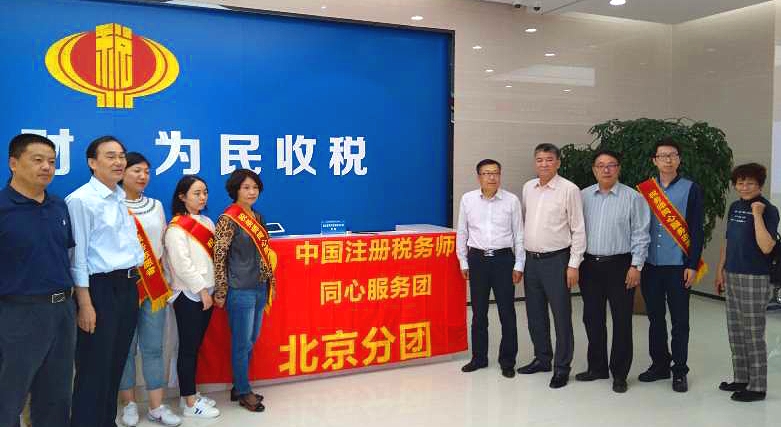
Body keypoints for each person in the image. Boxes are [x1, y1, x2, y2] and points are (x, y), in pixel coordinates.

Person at [67, 136, 144, 427]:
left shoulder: (119, 196)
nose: (119, 162)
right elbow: (78, 258)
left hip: (126, 287)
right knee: (93, 368)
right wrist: (85, 304)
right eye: (110, 156)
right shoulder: (81, 200)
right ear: (92, 162)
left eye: (121, 156)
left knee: (115, 364)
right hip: (99, 290)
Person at [0, 134, 76, 427]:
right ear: (13, 163)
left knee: (57, 393)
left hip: (62, 311)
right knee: (9, 394)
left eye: (52, 162)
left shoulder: (58, 206)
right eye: (38, 160)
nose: (47, 167)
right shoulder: (3, 207)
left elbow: (65, 256)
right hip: (18, 313)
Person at [578, 149, 650, 393]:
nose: (606, 169)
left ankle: (619, 373)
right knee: (592, 318)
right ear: (594, 169)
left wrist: (636, 266)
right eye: (601, 165)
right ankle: (597, 367)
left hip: (621, 265)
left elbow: (641, 234)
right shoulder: (583, 196)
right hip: (589, 265)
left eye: (611, 165)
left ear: (618, 168)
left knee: (622, 320)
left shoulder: (633, 197)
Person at [636, 137, 705, 393]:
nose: (668, 160)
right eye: (662, 156)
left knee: (679, 321)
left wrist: (692, 264)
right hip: (650, 266)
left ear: (679, 159)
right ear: (654, 160)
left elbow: (697, 229)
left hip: (679, 266)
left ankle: (679, 370)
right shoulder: (645, 190)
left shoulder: (691, 189)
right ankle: (659, 365)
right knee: (655, 318)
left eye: (672, 155)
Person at [117, 153, 181, 427]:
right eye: (136, 170)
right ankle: (129, 404)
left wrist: (167, 280)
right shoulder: (112, 204)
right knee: (125, 348)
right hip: (124, 286)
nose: (143, 176)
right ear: (122, 172)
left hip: (154, 287)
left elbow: (162, 246)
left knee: (154, 347)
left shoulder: (156, 206)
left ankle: (156, 406)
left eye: (146, 171)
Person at [518, 143, 586, 389]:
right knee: (535, 314)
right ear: (535, 162)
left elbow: (578, 229)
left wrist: (574, 264)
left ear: (558, 162)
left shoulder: (569, 189)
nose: (544, 164)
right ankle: (542, 358)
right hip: (531, 261)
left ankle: (562, 367)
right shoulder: (528, 188)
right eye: (539, 160)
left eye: (549, 159)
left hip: (557, 261)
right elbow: (525, 222)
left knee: (561, 316)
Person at [714, 163, 778, 402]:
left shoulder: (768, 210)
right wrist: (720, 270)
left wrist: (757, 214)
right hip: (732, 274)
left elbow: (767, 246)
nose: (744, 187)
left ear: (759, 184)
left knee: (753, 333)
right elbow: (728, 241)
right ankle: (741, 378)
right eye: (740, 183)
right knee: (736, 331)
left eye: (750, 183)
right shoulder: (735, 206)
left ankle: (758, 387)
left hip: (755, 277)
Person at [213, 169, 276, 413]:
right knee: (241, 343)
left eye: (255, 187)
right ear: (235, 190)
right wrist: (221, 290)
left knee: (251, 340)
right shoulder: (228, 218)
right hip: (240, 290)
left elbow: (265, 253)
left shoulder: (258, 217)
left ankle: (239, 385)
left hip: (259, 287)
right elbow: (219, 257)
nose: (252, 192)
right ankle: (243, 390)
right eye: (246, 187)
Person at [456, 159, 524, 378]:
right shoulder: (468, 199)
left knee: (507, 312)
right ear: (479, 177)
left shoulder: (511, 201)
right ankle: (479, 358)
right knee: (479, 312)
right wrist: (463, 261)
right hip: (477, 260)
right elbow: (462, 232)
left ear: (500, 175)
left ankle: (508, 361)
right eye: (486, 173)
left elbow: (519, 234)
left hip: (504, 260)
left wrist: (519, 264)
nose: (491, 177)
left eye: (495, 173)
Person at [165, 175, 221, 418]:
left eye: (205, 192)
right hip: (189, 294)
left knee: (195, 346)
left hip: (208, 291)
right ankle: (189, 404)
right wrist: (201, 291)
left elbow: (214, 258)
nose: (202, 197)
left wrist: (214, 289)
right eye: (196, 193)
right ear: (182, 196)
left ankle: (190, 394)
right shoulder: (176, 228)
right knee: (188, 349)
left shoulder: (207, 221)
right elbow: (182, 265)